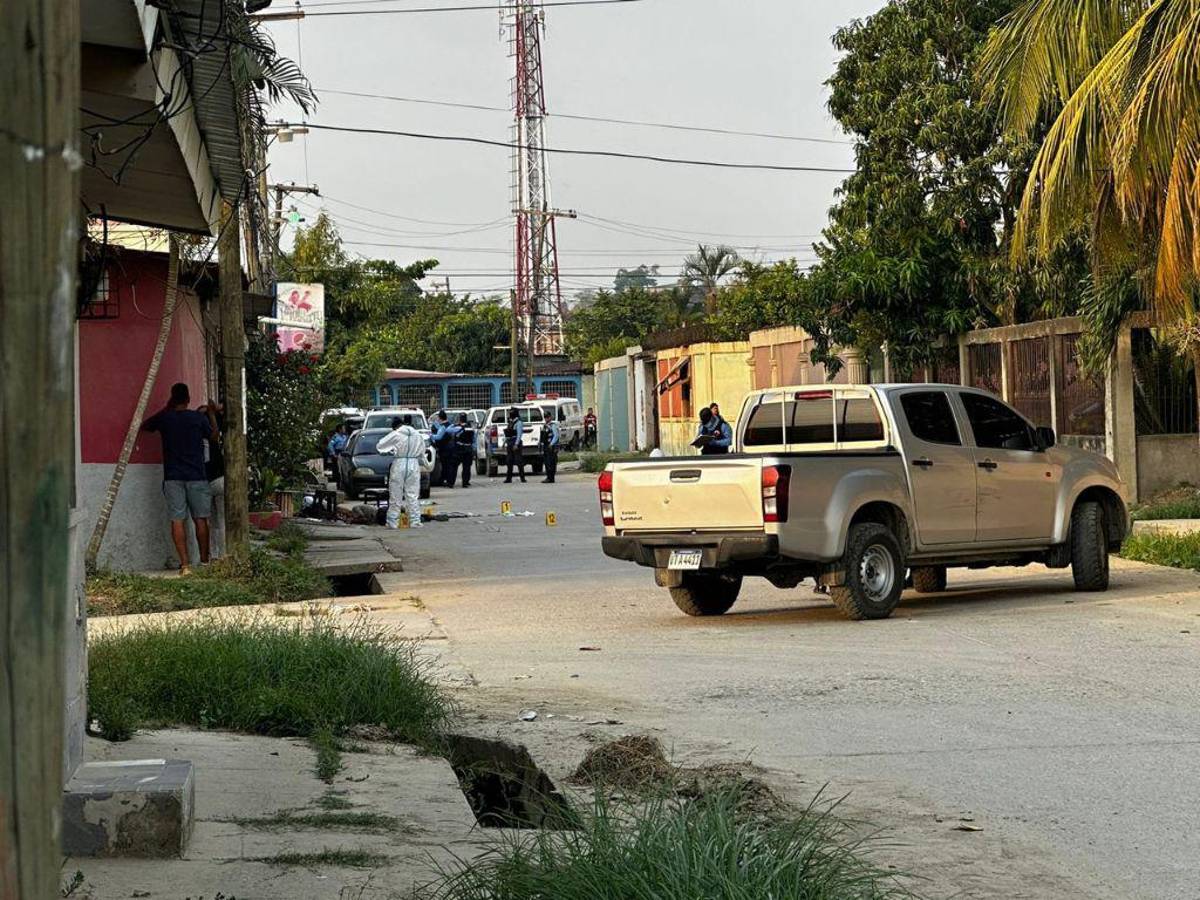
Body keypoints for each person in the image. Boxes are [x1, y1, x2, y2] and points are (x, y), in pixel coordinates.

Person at [142, 382, 219, 574]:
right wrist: (210, 413)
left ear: (172, 398)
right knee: (200, 519)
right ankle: (204, 562)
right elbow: (214, 437)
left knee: (177, 520)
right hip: (197, 476)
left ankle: (185, 565)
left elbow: (146, 426)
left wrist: (168, 408)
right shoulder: (196, 418)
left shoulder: (165, 419)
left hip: (173, 477)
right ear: (188, 399)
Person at [377, 415, 425, 529]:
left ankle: (392, 522)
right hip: (413, 464)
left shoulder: (396, 434)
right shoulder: (417, 435)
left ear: (395, 427)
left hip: (399, 463)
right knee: (412, 494)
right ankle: (415, 521)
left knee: (396, 494)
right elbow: (422, 452)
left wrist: (390, 449)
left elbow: (380, 445)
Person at [430, 410, 461, 488]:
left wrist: (430, 435)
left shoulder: (442, 427)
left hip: (444, 449)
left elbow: (438, 437)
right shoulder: (450, 425)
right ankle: (449, 481)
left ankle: (447, 481)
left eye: (438, 418)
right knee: (450, 466)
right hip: (452, 448)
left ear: (440, 418)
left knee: (445, 466)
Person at [503, 407, 527, 484]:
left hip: (515, 442)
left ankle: (522, 478)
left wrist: (516, 444)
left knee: (519, 461)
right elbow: (507, 433)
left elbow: (519, 434)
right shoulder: (510, 422)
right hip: (509, 442)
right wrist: (504, 442)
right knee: (509, 461)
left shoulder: (519, 422)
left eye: (511, 413)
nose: (510, 414)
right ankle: (508, 478)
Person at [453, 413, 475, 488]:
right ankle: (465, 482)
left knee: (454, 466)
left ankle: (451, 482)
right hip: (468, 448)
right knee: (467, 467)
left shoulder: (457, 427)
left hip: (460, 448)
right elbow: (473, 439)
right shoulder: (470, 427)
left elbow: (449, 431)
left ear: (460, 419)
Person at [540, 410, 561, 484]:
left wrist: (551, 444)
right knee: (546, 462)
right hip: (546, 446)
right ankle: (548, 477)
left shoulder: (553, 425)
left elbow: (556, 436)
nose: (546, 419)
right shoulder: (545, 426)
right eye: (545, 417)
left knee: (551, 462)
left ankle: (551, 477)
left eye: (547, 417)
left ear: (550, 417)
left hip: (551, 446)